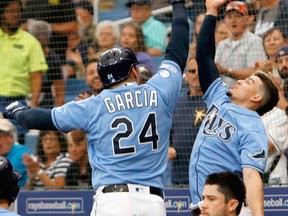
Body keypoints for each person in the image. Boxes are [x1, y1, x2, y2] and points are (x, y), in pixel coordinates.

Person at [3, 0, 189, 215]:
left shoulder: (93, 105)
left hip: (113, 200)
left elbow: (38, 119)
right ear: (134, 72)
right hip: (153, 202)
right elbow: (178, 49)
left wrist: (17, 110)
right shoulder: (159, 91)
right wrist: (178, 5)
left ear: (103, 80)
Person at [189, 0, 279, 216]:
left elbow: (252, 175)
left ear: (257, 97)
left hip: (229, 210)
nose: (240, 81)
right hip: (203, 206)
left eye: (249, 82)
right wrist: (211, 12)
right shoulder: (219, 97)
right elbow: (204, 58)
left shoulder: (253, 126)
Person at [0, 0, 48, 143]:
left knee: (16, 145)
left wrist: (32, 105)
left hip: (17, 103)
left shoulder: (30, 41)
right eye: (10, 11)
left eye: (17, 11)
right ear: (2, 13)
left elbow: (36, 76)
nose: (14, 15)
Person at [170, 56, 206, 185]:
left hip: (210, 178)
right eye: (192, 71)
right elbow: (164, 136)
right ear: (186, 75)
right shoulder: (175, 104)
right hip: (180, 176)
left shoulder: (217, 102)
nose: (196, 75)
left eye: (201, 71)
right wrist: (167, 148)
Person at [215, 1, 267, 89]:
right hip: (223, 95)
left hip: (246, 96)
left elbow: (256, 73)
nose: (233, 20)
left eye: (238, 16)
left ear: (247, 19)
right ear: (225, 21)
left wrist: (227, 71)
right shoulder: (221, 45)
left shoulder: (254, 41)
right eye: (229, 17)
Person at [22, 0, 78, 65]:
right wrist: (29, 27)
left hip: (56, 56)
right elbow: (20, 26)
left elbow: (73, 26)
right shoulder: (30, 3)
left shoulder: (63, 2)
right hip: (32, 56)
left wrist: (48, 27)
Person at [27, 19, 65, 108]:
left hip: (45, 101)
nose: (41, 38)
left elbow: (59, 87)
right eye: (37, 35)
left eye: (43, 35)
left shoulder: (53, 58)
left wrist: (60, 109)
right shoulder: (25, 54)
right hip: (24, 95)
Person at [0, 118, 30, 188]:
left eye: (0, 136)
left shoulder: (22, 152)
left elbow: (4, 176)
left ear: (11, 137)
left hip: (20, 196)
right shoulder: (3, 154)